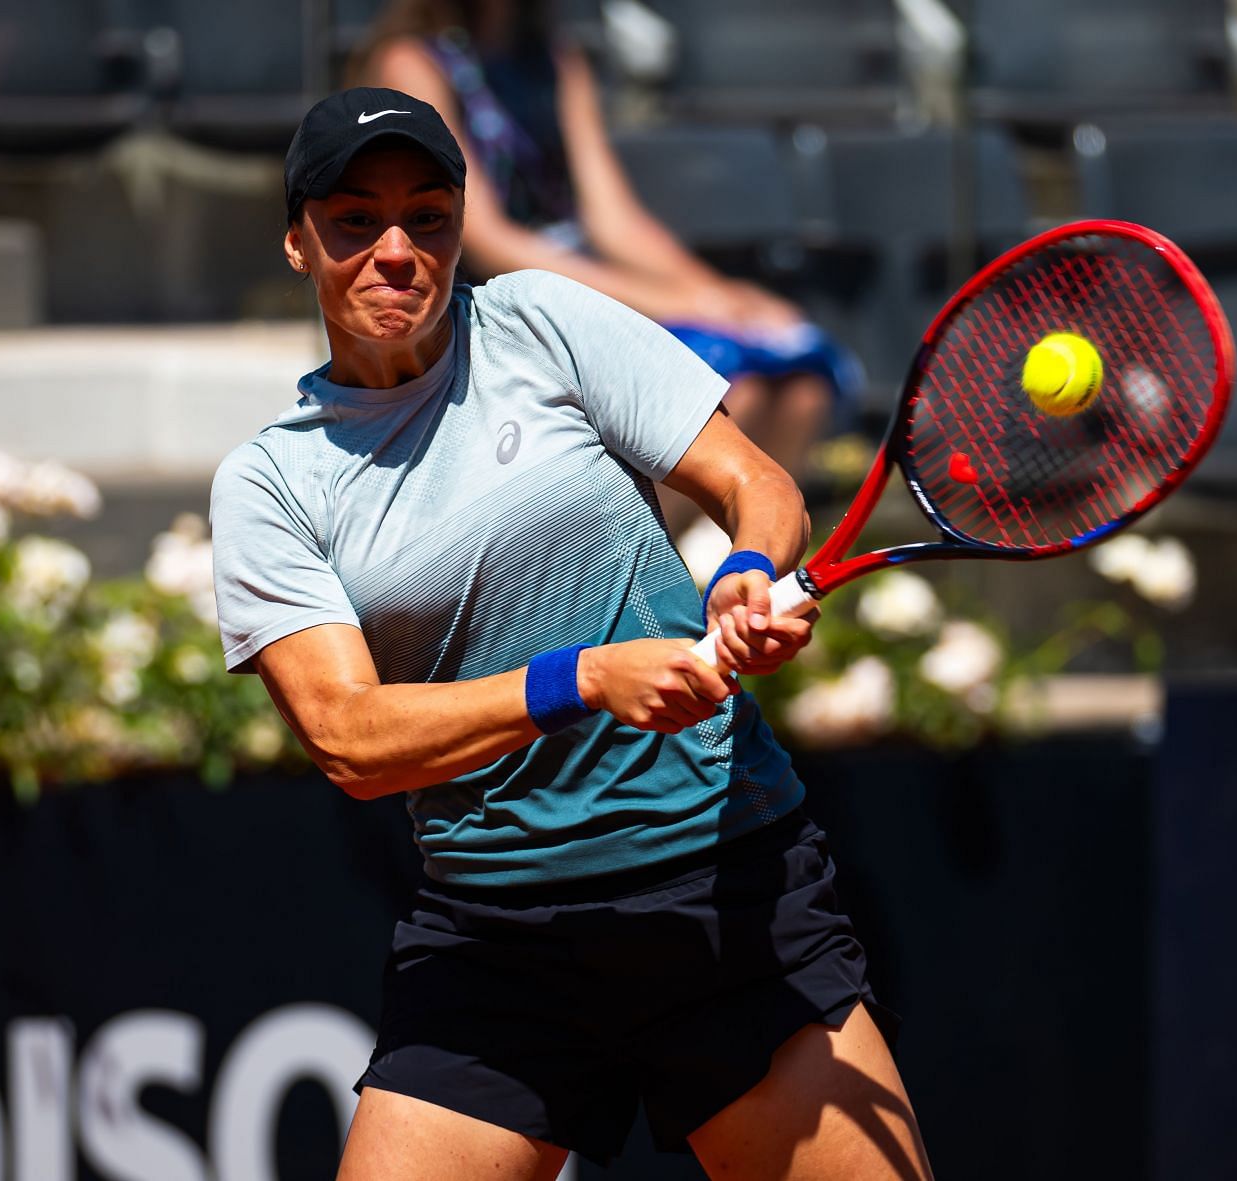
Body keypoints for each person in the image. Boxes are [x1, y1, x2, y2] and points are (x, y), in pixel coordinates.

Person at [209, 87, 931, 1179]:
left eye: (430, 216)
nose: (396, 250)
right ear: (299, 239)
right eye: (356, 219)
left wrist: (744, 570)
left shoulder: (544, 319)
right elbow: (348, 737)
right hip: (500, 945)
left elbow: (755, 482)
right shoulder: (274, 482)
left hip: (724, 895)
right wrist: (581, 678)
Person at [351, 0, 859, 536]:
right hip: (495, 298)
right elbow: (483, 235)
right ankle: (625, 579)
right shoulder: (412, 62)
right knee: (736, 390)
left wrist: (720, 297)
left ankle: (730, 571)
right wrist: (681, 303)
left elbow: (612, 220)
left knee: (801, 383)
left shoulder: (555, 57)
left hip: (579, 276)